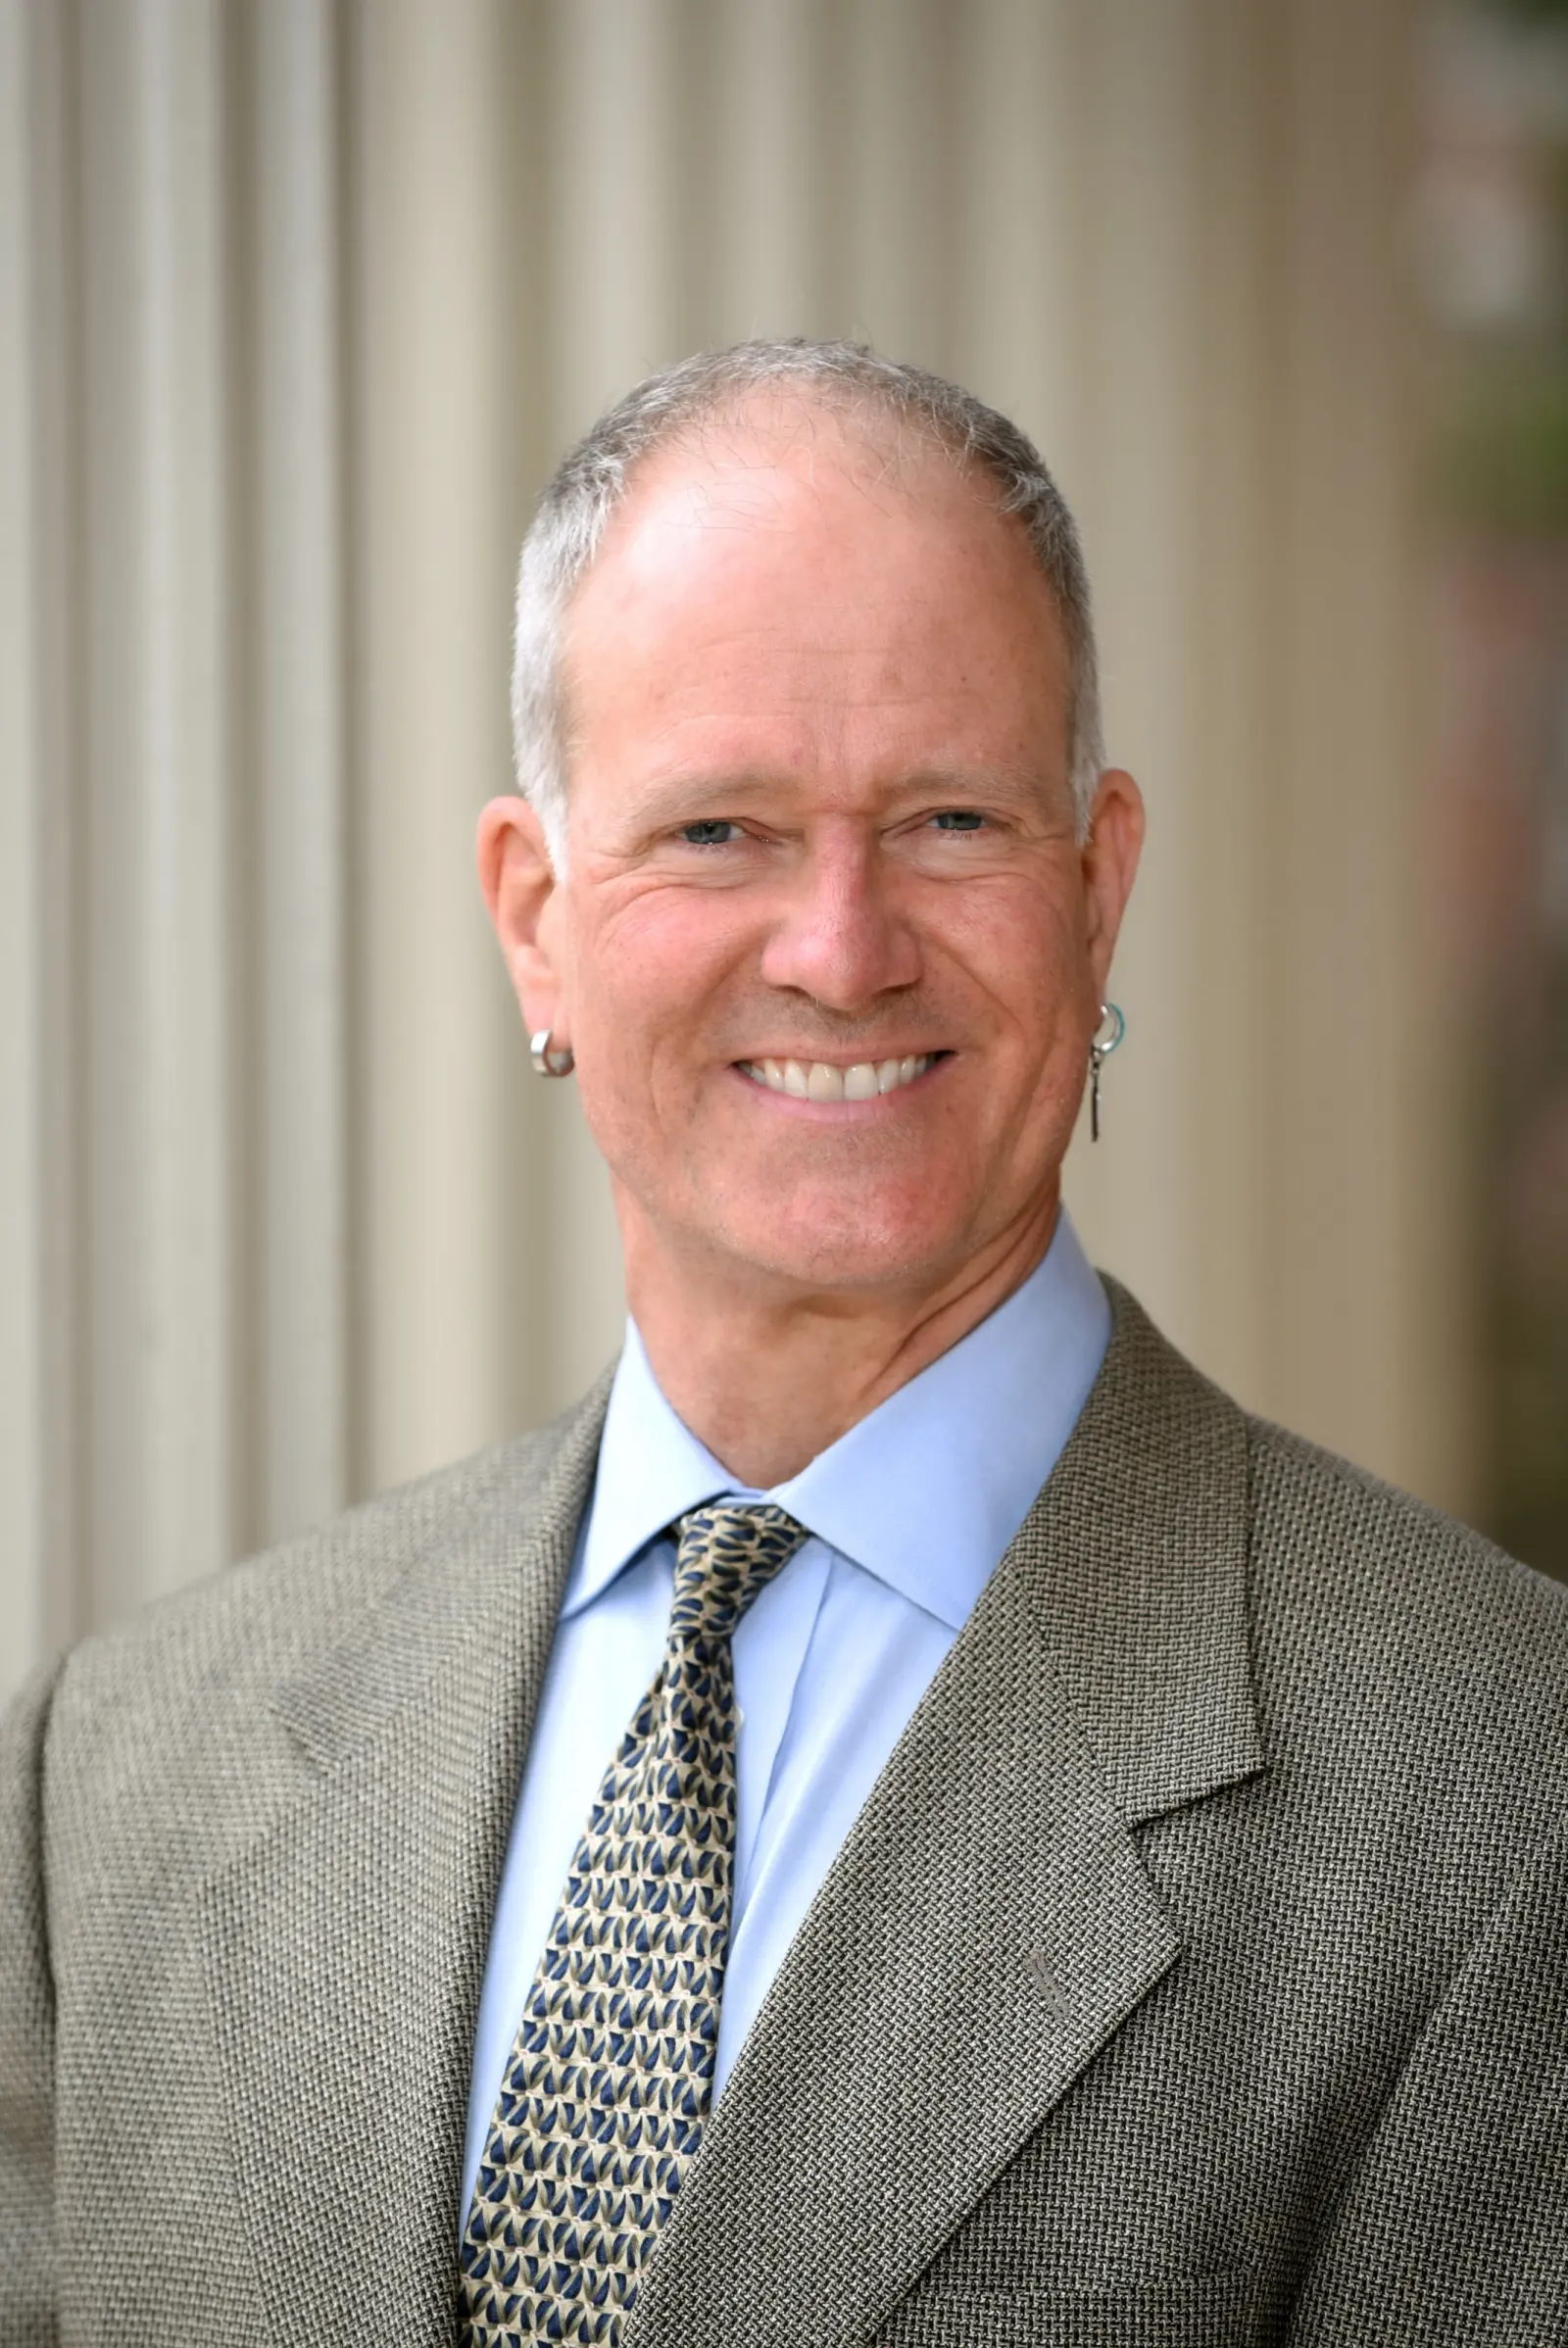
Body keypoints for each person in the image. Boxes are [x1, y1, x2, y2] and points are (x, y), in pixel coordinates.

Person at [3, 340, 1566, 2348]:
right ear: (533, 917)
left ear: (1096, 888)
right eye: (721, 830)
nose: (837, 945)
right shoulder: (119, 1771)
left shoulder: (1498, 1798)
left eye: (941, 818)